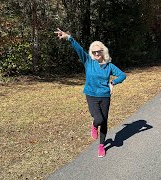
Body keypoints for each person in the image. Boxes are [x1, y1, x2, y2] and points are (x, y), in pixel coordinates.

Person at [54, 28, 126, 158]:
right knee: (98, 119)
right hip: (91, 95)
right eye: (95, 51)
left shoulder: (109, 66)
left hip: (105, 96)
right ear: (92, 53)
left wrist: (113, 83)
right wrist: (68, 37)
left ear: (103, 52)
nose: (97, 53)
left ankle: (101, 146)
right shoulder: (88, 62)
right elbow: (78, 49)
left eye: (99, 51)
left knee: (104, 121)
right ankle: (94, 126)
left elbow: (122, 75)